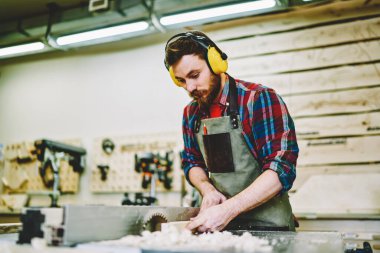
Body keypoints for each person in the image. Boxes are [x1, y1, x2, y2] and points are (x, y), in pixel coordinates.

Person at [164, 31, 299, 233]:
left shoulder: (259, 99)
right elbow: (192, 163)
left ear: (216, 63)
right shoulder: (191, 114)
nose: (190, 87)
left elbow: (281, 168)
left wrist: (227, 210)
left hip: (270, 228)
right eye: (181, 81)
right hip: (221, 229)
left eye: (194, 75)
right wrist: (208, 190)